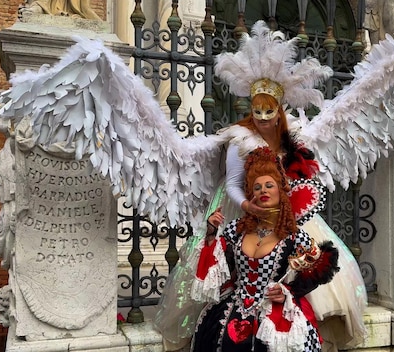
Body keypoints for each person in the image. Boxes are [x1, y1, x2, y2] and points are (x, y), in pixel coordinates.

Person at [154, 21, 367, 352]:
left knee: (297, 272)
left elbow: (303, 174)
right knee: (226, 275)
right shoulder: (239, 138)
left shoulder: (293, 137)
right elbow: (235, 183)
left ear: (279, 110)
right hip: (242, 211)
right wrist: (247, 206)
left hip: (287, 215)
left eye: (270, 110)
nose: (263, 117)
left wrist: (287, 199)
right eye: (258, 110)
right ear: (250, 108)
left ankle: (293, 331)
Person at [188, 147, 339, 351]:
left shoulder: (294, 236)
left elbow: (317, 270)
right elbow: (218, 269)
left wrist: (288, 292)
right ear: (251, 196)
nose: (263, 191)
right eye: (257, 188)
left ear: (281, 191)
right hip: (232, 309)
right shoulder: (236, 230)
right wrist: (211, 232)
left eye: (269, 185)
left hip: (273, 314)